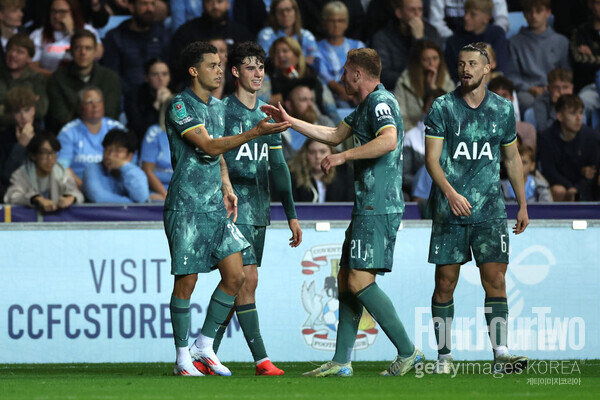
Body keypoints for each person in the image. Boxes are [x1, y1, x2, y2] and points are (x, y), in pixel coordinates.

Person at [262, 48, 424, 377]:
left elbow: (389, 140)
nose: (339, 78)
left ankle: (408, 351)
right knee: (346, 279)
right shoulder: (367, 105)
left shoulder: (380, 103)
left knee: (360, 280)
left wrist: (342, 158)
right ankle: (341, 361)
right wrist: (290, 122)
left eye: (345, 70)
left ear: (357, 74)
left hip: (378, 204)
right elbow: (333, 135)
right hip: (367, 203)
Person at [163, 41, 291, 377]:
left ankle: (204, 346)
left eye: (220, 65)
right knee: (186, 283)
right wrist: (254, 132)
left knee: (237, 275)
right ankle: (181, 359)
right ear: (194, 70)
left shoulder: (218, 108)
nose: (219, 70)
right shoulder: (179, 106)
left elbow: (217, 156)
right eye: (212, 65)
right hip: (187, 206)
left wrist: (227, 186)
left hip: (215, 207)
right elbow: (206, 144)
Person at [424, 42, 529, 375]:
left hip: (490, 210)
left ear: (487, 69)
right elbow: (431, 159)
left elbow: (512, 158)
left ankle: (501, 355)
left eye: (472, 63)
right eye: (460, 64)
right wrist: (451, 194)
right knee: (445, 283)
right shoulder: (442, 107)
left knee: (495, 281)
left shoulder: (503, 109)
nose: (465, 69)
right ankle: (444, 358)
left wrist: (522, 203)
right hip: (450, 209)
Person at [205, 41, 302, 376]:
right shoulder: (220, 112)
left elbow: (278, 167)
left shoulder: (267, 113)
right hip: (230, 209)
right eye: (250, 66)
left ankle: (205, 352)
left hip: (259, 211)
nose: (258, 72)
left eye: (261, 66)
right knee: (246, 280)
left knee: (239, 285)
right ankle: (261, 359)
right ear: (235, 72)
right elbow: (213, 156)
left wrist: (290, 213)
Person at [46, 29, 121, 135]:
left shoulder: (110, 78)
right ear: (71, 51)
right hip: (69, 136)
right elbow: (59, 117)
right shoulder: (57, 79)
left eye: (88, 48)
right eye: (78, 48)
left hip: (104, 136)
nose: (83, 53)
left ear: (95, 52)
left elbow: (111, 113)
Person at [169, 0, 253, 88]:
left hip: (234, 90)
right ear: (202, 4)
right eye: (210, 2)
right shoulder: (186, 33)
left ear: (228, 4)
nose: (215, 6)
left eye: (219, 1)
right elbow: (179, 69)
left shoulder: (241, 33)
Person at [507, 0, 570, 113]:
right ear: (524, 14)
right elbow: (512, 75)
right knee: (527, 103)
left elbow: (567, 74)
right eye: (529, 11)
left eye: (538, 11)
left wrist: (555, 89)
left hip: (556, 89)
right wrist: (529, 88)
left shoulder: (562, 41)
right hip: (527, 92)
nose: (534, 15)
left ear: (548, 12)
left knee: (567, 103)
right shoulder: (514, 42)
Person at [262, 37, 340, 125]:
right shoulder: (267, 76)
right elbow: (262, 103)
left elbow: (331, 108)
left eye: (285, 51)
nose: (281, 55)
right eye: (277, 52)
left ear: (296, 54)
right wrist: (288, 91)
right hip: (281, 123)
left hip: (314, 121)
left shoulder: (310, 75)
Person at [57, 86, 125, 188]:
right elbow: (63, 166)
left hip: (114, 187)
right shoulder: (68, 132)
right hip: (78, 187)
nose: (95, 106)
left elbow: (129, 163)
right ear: (80, 107)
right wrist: (85, 188)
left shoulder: (117, 128)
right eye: (89, 102)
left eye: (98, 101)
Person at [537, 94, 600, 201]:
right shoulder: (546, 138)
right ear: (560, 116)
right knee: (558, 190)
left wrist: (577, 188)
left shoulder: (592, 136)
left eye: (581, 113)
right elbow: (550, 172)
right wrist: (570, 187)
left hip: (586, 187)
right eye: (572, 113)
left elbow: (593, 172)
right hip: (562, 186)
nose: (579, 118)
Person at [101, 0, 170, 98]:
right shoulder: (116, 37)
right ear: (132, 7)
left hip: (158, 94)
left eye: (152, 4)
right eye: (144, 4)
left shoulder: (162, 35)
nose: (149, 8)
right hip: (125, 96)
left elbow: (169, 68)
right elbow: (112, 75)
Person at [371, 0, 443, 91]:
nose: (417, 14)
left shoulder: (432, 33)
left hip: (428, 86)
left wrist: (419, 40)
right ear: (399, 13)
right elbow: (382, 75)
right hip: (397, 89)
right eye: (412, 10)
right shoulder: (383, 37)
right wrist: (413, 79)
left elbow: (439, 67)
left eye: (420, 10)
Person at [4, 130, 83, 210]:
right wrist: (36, 198)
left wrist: (69, 198)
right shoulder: (21, 174)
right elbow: (12, 196)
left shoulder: (62, 172)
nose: (50, 158)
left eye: (53, 153)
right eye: (44, 153)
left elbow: (78, 195)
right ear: (33, 155)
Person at [29, 0, 103, 78]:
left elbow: (98, 54)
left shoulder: (87, 30)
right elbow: (31, 66)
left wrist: (72, 32)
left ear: (72, 13)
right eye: (53, 11)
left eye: (62, 12)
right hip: (48, 80)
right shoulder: (38, 34)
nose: (56, 16)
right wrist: (57, 78)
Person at [393, 40, 454, 132]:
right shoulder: (404, 82)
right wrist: (418, 133)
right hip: (410, 136)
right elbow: (399, 117)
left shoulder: (447, 82)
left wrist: (433, 89)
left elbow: (450, 116)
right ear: (418, 63)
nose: (431, 64)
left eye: (435, 58)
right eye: (426, 60)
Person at [444, 0, 509, 83]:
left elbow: (501, 68)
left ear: (486, 18)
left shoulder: (497, 35)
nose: (466, 17)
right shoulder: (453, 41)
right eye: (465, 12)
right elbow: (454, 75)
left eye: (473, 14)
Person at [316, 1, 365, 108]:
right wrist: (342, 91)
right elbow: (323, 75)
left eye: (340, 21)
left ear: (347, 23)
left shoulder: (358, 45)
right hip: (332, 96)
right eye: (331, 21)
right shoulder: (316, 48)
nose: (336, 25)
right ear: (324, 23)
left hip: (358, 92)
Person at [82, 128, 149, 203]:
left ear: (130, 156)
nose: (110, 155)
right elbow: (98, 197)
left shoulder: (134, 171)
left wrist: (124, 166)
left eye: (118, 151)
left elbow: (142, 197)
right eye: (107, 150)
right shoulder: (92, 169)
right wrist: (132, 204)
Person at [0, 33, 47, 126]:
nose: (13, 54)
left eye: (19, 52)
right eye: (11, 50)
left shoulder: (36, 79)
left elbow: (41, 110)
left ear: (29, 58)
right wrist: (25, 108)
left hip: (29, 129)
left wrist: (4, 108)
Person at [0, 85, 38, 198]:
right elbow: (6, 176)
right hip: (12, 192)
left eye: (27, 110)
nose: (23, 117)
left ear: (34, 110)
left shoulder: (44, 135)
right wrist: (21, 146)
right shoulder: (3, 138)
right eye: (17, 112)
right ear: (12, 114)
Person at [287, 138, 355, 202]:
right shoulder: (292, 177)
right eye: (312, 152)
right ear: (305, 154)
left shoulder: (344, 174)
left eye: (323, 152)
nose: (317, 156)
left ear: (332, 153)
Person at [281, 80, 335, 156]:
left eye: (311, 100)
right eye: (304, 100)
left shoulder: (324, 123)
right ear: (289, 105)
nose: (310, 104)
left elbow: (336, 152)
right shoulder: (278, 132)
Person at [257, 0, 320, 65]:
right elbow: (265, 62)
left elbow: (315, 62)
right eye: (280, 11)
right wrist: (301, 61)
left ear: (295, 12)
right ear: (274, 14)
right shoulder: (265, 35)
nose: (285, 14)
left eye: (288, 9)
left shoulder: (306, 35)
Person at [124, 57, 171, 143]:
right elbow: (139, 130)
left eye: (164, 74)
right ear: (146, 77)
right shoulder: (134, 96)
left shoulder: (178, 95)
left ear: (169, 77)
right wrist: (156, 106)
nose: (160, 79)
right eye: (155, 74)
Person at [140, 100, 172, 201]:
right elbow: (148, 171)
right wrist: (167, 197)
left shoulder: (196, 134)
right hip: (159, 190)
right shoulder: (154, 133)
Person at [429, 0, 509, 38]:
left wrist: (492, 37)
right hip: (452, 39)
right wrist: (454, 39)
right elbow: (436, 23)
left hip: (486, 39)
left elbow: (502, 20)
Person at [530, 67, 574, 132]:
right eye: (556, 88)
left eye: (565, 87)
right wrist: (556, 106)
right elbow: (543, 131)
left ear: (572, 88)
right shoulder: (541, 102)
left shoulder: (576, 102)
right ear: (549, 88)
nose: (561, 92)